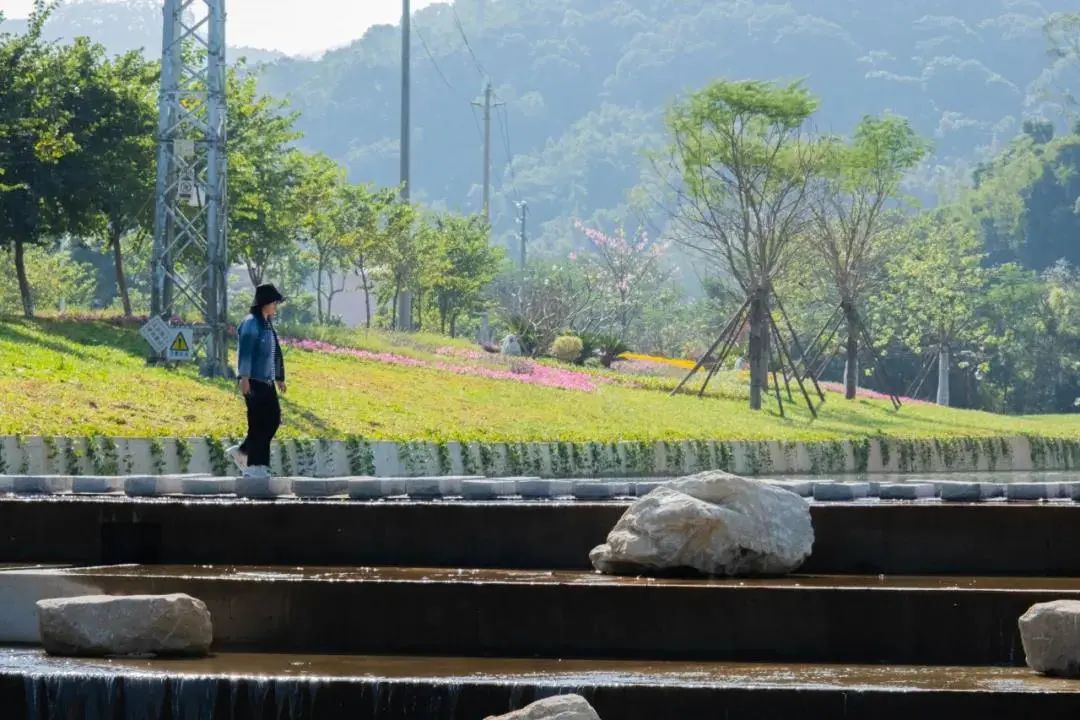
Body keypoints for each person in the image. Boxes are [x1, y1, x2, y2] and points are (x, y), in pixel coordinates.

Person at [227, 283, 286, 478]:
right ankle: (255, 467)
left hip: (267, 382)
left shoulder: (267, 324)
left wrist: (279, 377)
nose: (275, 308)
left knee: (273, 420)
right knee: (258, 423)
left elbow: (274, 352)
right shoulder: (251, 323)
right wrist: (244, 378)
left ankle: (243, 451)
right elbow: (245, 353)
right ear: (264, 303)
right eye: (273, 303)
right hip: (253, 380)